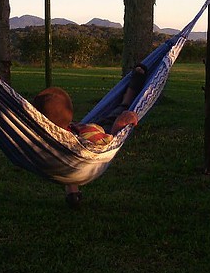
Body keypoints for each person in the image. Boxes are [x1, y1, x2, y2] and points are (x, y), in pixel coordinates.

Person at [31, 64, 147, 207]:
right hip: (97, 133)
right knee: (121, 108)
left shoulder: (38, 139)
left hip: (66, 157)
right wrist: (119, 124)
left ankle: (73, 192)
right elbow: (108, 142)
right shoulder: (87, 136)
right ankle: (131, 90)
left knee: (68, 161)